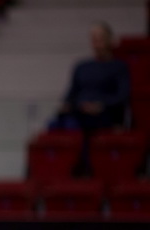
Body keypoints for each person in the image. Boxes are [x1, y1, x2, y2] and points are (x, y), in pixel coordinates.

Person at [50, 21, 131, 174]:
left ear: (110, 40)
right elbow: (71, 93)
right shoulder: (82, 66)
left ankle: (87, 170)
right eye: (93, 38)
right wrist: (66, 104)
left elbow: (122, 96)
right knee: (54, 124)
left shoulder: (119, 67)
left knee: (80, 127)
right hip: (79, 111)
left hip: (104, 114)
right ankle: (61, 170)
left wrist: (101, 105)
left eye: (100, 38)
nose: (96, 42)